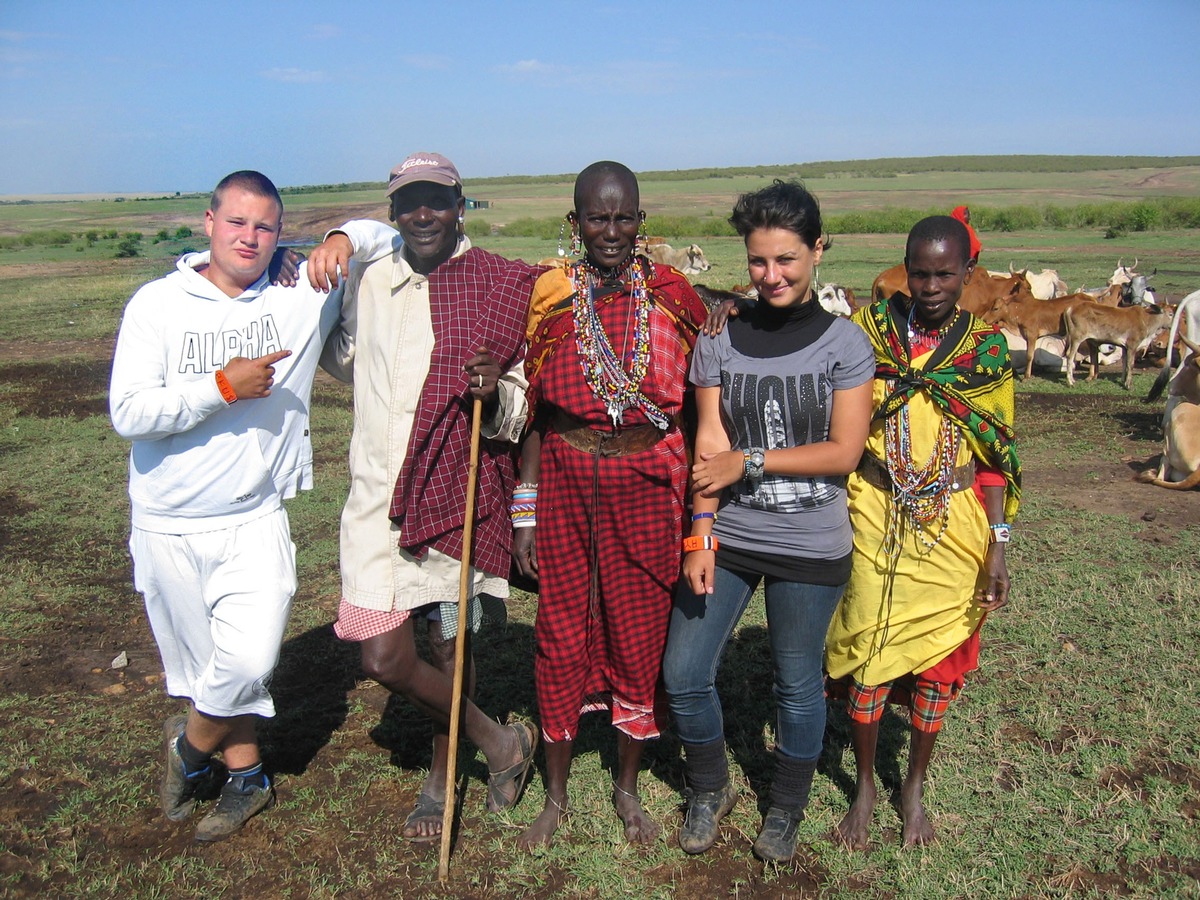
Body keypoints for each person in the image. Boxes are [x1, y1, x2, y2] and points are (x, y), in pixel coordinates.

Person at [305, 152, 540, 842]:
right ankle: (500, 743)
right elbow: (345, 360)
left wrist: (494, 391)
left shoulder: (497, 283)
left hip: (455, 493)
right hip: (376, 500)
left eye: (437, 199)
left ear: (460, 203)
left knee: (443, 649)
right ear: (393, 213)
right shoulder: (372, 282)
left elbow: (524, 409)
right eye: (410, 203)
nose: (424, 214)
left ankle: (440, 784)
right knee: (383, 657)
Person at [110, 170, 345, 841]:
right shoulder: (156, 305)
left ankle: (186, 752)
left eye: (266, 226)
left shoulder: (295, 294)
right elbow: (129, 411)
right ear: (208, 223)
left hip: (252, 517)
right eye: (237, 222)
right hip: (166, 522)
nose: (250, 237)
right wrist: (222, 385)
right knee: (208, 669)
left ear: (280, 232)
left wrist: (336, 237)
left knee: (244, 662)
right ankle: (247, 778)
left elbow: (379, 235)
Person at [660, 181, 874, 861]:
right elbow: (707, 444)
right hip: (730, 538)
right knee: (684, 672)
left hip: (811, 542)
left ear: (817, 250)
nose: (772, 275)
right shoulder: (720, 336)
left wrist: (750, 460)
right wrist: (700, 533)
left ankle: (785, 806)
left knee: (796, 683)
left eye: (787, 259)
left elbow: (843, 452)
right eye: (758, 261)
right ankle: (710, 785)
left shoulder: (845, 345)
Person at [512, 161, 709, 848]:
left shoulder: (676, 297)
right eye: (598, 217)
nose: (612, 231)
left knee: (638, 632)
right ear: (575, 223)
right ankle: (557, 794)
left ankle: (627, 789)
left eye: (624, 217)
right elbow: (536, 417)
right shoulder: (551, 297)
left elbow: (700, 405)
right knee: (560, 634)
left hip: (649, 483)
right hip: (566, 478)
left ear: (641, 222)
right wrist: (525, 513)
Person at [824, 215, 1020, 848]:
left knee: (938, 661)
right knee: (868, 651)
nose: (932, 285)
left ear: (968, 275)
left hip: (954, 524)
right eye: (920, 272)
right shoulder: (868, 332)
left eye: (945, 274)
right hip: (875, 511)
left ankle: (912, 789)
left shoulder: (985, 351)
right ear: (904, 271)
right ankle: (864, 787)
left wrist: (998, 545)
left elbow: (996, 459)